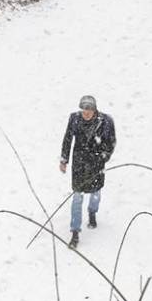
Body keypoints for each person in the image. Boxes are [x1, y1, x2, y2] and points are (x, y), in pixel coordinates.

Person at [59, 95, 116, 249]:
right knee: (77, 196)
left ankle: (92, 211)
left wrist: (104, 156)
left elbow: (111, 141)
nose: (86, 113)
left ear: (94, 109)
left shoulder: (105, 121)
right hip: (79, 163)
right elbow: (68, 139)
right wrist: (64, 159)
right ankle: (75, 231)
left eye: (89, 110)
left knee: (96, 192)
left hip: (96, 163)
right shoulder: (74, 119)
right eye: (84, 110)